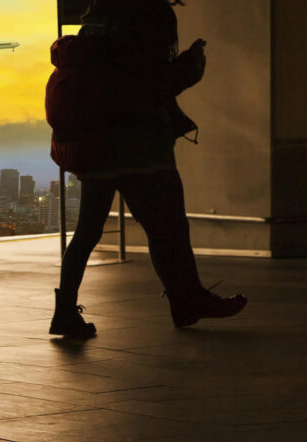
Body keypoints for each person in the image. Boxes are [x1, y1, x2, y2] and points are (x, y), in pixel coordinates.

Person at [46, 0, 246, 338]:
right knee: (168, 227)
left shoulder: (99, 16)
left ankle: (65, 311)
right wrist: (188, 67)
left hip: (99, 144)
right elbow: (146, 84)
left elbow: (118, 80)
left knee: (89, 231)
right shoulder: (142, 15)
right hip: (139, 146)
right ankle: (187, 300)